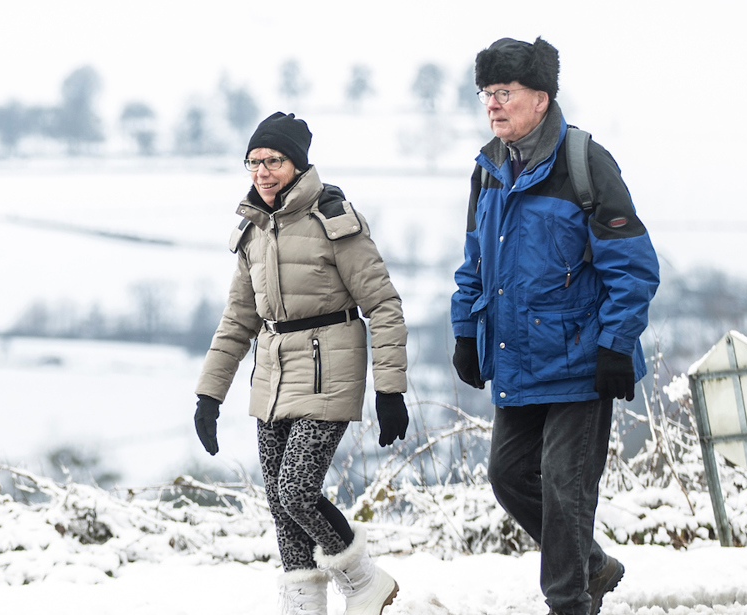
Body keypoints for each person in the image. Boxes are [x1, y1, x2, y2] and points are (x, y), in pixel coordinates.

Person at [450, 37, 660, 615]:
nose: (493, 104)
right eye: (486, 93)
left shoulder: (584, 163)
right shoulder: (488, 169)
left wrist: (616, 345)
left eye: (505, 93)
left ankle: (569, 601)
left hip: (581, 360)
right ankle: (591, 565)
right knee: (508, 476)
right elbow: (474, 262)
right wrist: (466, 331)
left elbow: (634, 265)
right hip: (519, 359)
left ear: (540, 98)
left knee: (565, 487)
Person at [193, 111, 411, 615]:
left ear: (297, 163)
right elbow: (236, 321)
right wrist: (209, 395)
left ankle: (362, 579)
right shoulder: (251, 233)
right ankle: (302, 604)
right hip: (270, 376)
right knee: (279, 503)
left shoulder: (333, 220)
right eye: (253, 163)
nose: (262, 172)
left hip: (327, 371)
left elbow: (383, 304)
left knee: (296, 491)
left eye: (273, 160)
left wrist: (389, 388)